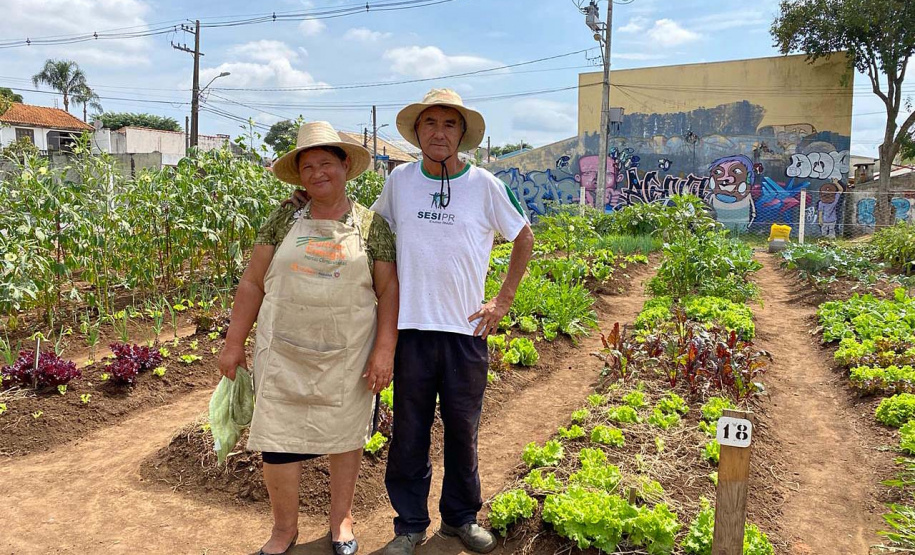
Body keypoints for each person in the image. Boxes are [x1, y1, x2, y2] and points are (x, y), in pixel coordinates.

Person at [289, 89, 533, 552]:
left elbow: (524, 237)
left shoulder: (485, 184)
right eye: (430, 124)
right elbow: (371, 230)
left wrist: (501, 302)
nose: (438, 132)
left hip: (465, 331)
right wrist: (318, 200)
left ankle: (461, 519)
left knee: (463, 430)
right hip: (410, 329)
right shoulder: (400, 181)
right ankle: (409, 526)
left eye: (448, 124)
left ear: (461, 134)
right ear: (418, 132)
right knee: (409, 433)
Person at [218, 121, 399, 555]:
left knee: (344, 438)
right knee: (278, 441)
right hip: (283, 353)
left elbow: (389, 290)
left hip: (347, 356)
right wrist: (233, 342)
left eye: (326, 163)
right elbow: (252, 283)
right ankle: (284, 530)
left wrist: (384, 351)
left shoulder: (372, 226)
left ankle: (341, 521)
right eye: (308, 166)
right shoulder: (282, 218)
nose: (318, 173)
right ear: (299, 176)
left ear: (344, 167)